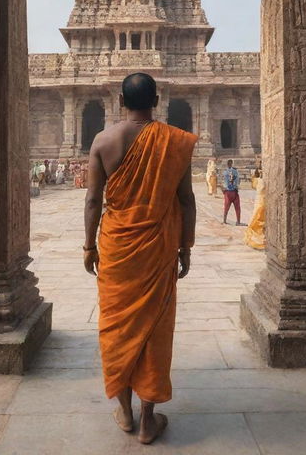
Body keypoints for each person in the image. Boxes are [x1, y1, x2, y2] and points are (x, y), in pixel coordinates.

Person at [83, 72, 197, 445]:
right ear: (158, 100)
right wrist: (186, 246)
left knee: (116, 327)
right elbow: (187, 200)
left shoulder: (103, 140)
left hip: (116, 246)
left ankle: (126, 412)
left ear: (120, 101)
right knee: (155, 329)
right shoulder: (174, 141)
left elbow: (92, 201)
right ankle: (149, 419)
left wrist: (89, 246)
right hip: (159, 246)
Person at [245, 170, 265, 249]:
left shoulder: (258, 181)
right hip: (261, 199)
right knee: (259, 217)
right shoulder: (260, 180)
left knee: (256, 218)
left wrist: (253, 177)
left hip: (260, 200)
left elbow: (253, 186)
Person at [222, 159, 242, 225]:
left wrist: (223, 190)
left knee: (226, 207)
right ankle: (238, 222)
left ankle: (224, 221)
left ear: (227, 164)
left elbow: (223, 182)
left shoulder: (225, 172)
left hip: (228, 192)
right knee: (237, 207)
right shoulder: (235, 171)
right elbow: (238, 181)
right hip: (234, 192)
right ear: (232, 163)